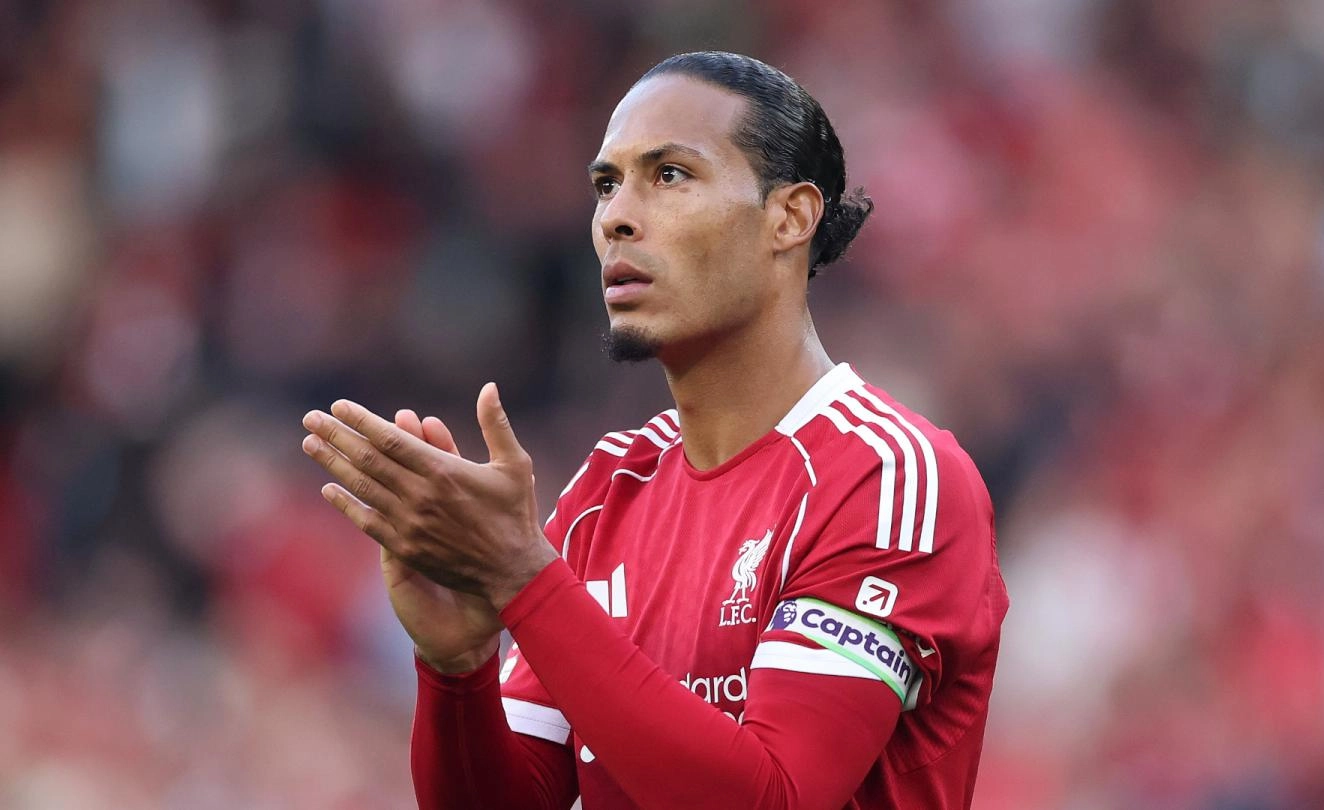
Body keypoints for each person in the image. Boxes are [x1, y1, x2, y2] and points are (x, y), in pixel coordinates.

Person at [301, 51, 1008, 810]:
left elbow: (775, 798)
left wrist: (525, 581)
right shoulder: (608, 492)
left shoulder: (888, 477)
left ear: (790, 218)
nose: (617, 217)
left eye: (670, 175)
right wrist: (458, 668)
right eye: (607, 185)